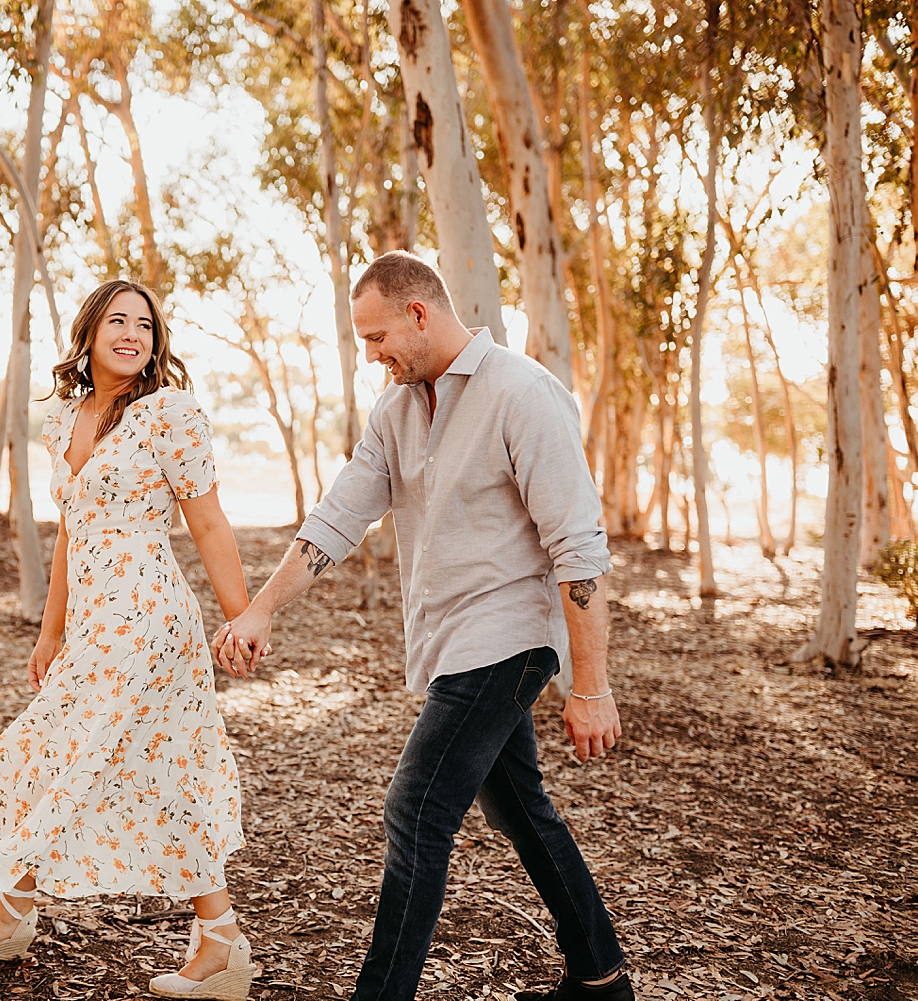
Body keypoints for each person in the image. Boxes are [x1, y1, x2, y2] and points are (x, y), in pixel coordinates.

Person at [214, 251, 633, 1001]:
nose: (372, 357)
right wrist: (262, 607)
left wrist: (591, 686)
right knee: (517, 807)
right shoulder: (397, 409)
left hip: (509, 639)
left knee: (416, 808)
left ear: (419, 312)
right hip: (450, 642)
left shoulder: (521, 393)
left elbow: (579, 549)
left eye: (377, 339)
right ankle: (600, 977)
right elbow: (341, 514)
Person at [0, 279, 261, 1001]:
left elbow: (208, 523)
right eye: (117, 319)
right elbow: (68, 536)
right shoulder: (66, 419)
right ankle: (221, 940)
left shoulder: (169, 414)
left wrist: (241, 616)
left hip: (147, 614)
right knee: (149, 764)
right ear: (87, 334)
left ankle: (8, 912)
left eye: (143, 324)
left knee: (75, 748)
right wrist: (51, 631)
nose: (131, 332)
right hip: (93, 618)